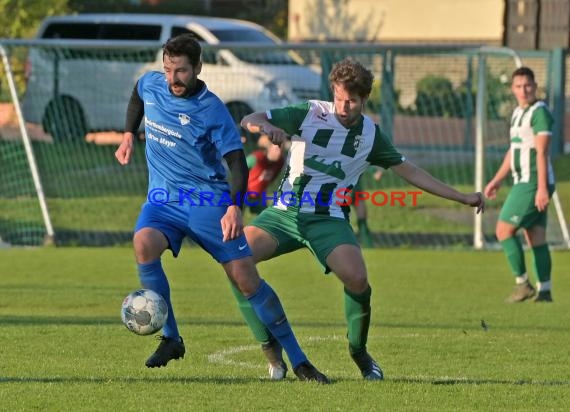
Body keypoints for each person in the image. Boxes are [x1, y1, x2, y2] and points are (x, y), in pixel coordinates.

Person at [231, 57, 485, 381]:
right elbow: (250, 118)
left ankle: (359, 352)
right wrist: (266, 127)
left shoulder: (371, 135)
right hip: (284, 213)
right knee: (235, 258)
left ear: (364, 99)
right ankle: (270, 347)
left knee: (357, 280)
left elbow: (411, 172)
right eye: (338, 97)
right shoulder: (310, 113)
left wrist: (461, 197)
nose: (343, 106)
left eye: (351, 100)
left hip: (328, 218)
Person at [114, 33, 329, 383]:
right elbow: (138, 92)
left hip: (208, 201)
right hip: (164, 199)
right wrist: (127, 134)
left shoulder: (211, 109)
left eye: (181, 71)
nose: (172, 79)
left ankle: (299, 360)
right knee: (143, 244)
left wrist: (234, 208)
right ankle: (171, 337)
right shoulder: (153, 84)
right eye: (168, 69)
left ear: (198, 68)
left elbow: (237, 164)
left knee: (246, 279)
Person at [484, 66, 555, 303]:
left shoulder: (540, 112)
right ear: (512, 89)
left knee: (503, 230)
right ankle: (544, 291)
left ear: (535, 86)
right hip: (523, 181)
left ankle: (522, 284)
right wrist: (497, 179)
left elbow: (542, 152)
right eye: (518, 86)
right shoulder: (517, 113)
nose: (523, 90)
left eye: (528, 85)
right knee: (535, 236)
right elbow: (514, 150)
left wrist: (542, 188)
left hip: (533, 182)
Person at [245, 135, 285, 215]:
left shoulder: (280, 162)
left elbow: (273, 177)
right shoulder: (256, 158)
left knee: (264, 218)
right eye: (276, 149)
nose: (279, 153)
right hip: (244, 192)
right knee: (235, 216)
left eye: (282, 150)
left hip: (259, 194)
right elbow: (239, 170)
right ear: (269, 149)